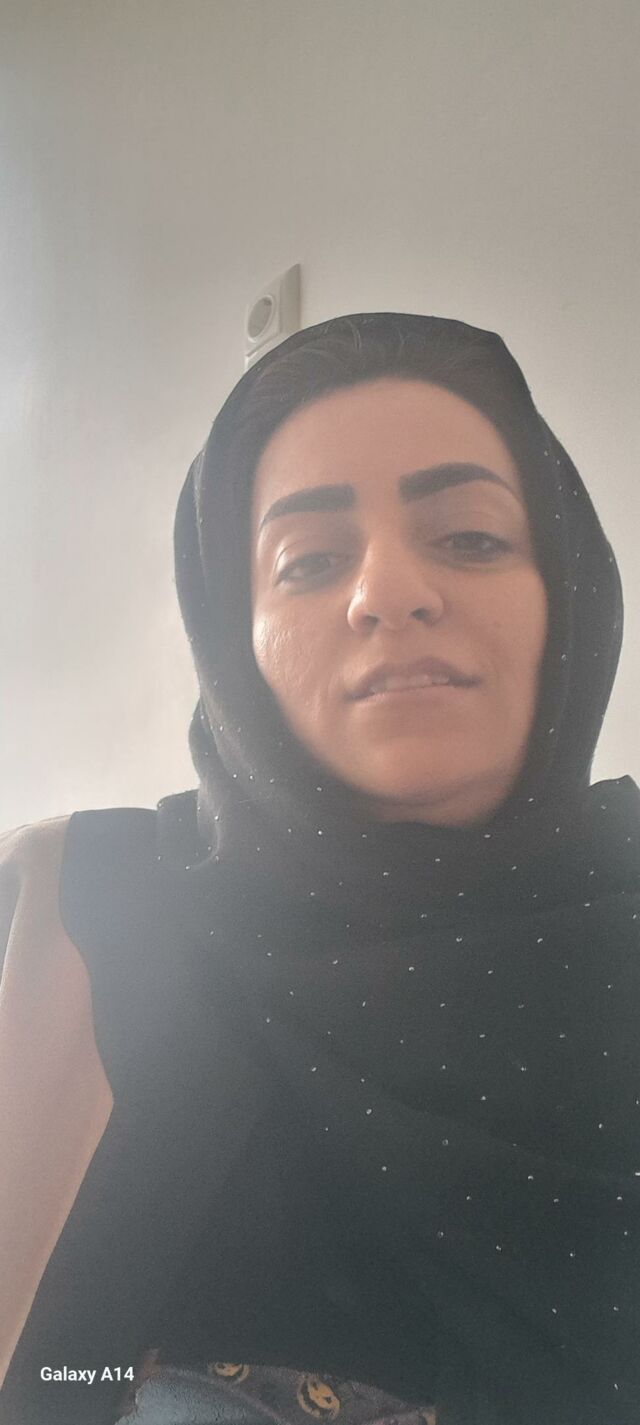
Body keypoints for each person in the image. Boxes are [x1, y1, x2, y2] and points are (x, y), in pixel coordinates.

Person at [1, 312, 639, 1425]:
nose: (388, 592)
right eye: (308, 561)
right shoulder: (73, 911)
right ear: (230, 633)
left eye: (469, 538)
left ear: (567, 589)